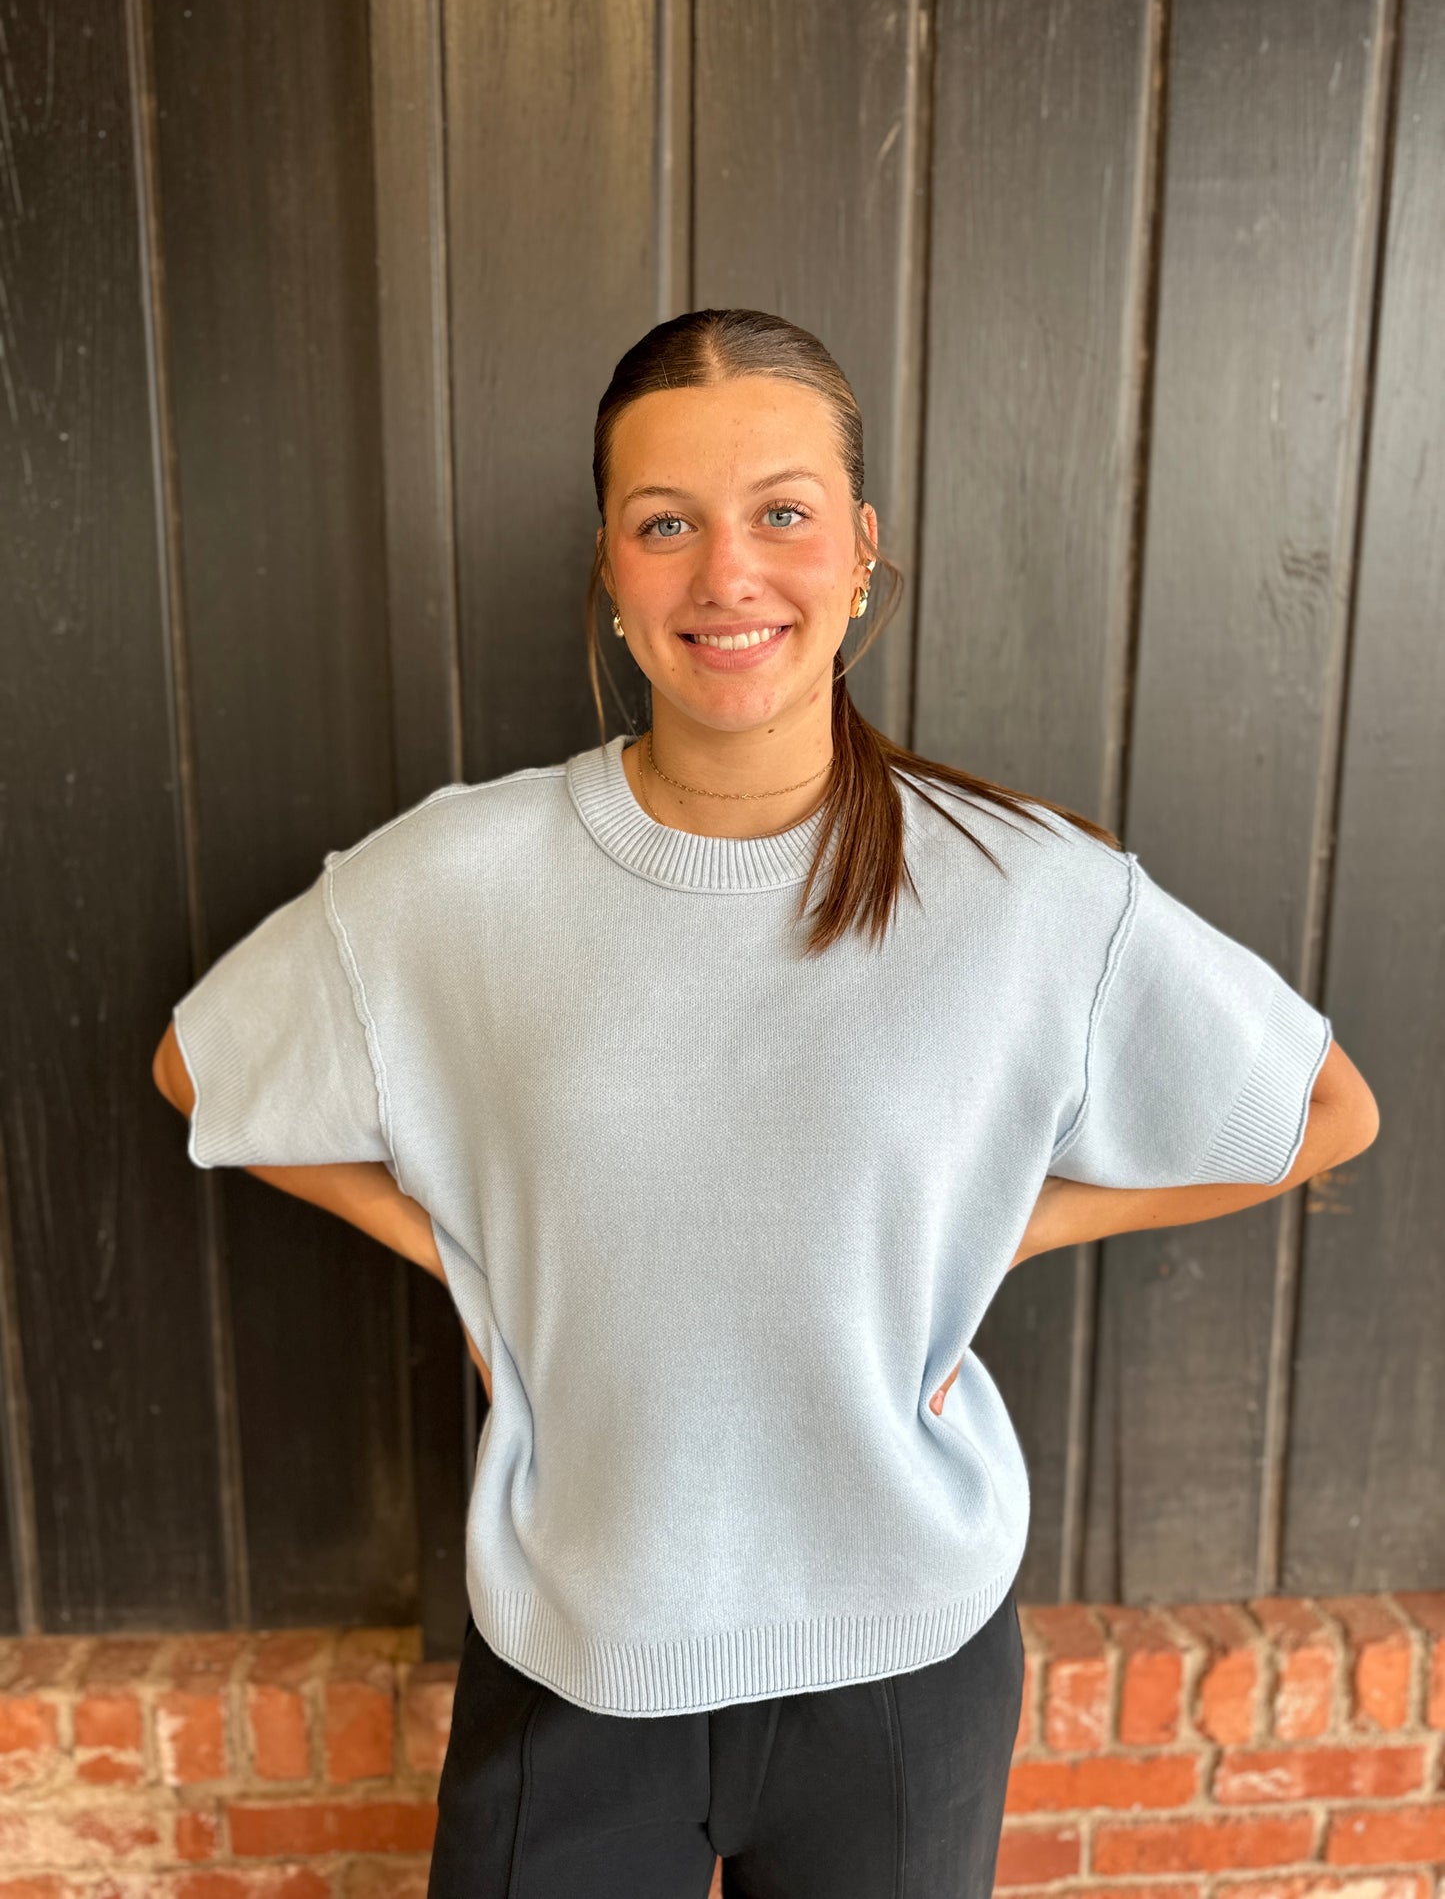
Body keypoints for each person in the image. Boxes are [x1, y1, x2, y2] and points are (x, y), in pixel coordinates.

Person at [152, 308, 1379, 1897]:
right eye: (667, 525)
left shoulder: (1026, 896)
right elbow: (201, 1071)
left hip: (900, 1666)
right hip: (577, 1648)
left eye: (782, 515)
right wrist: (471, 1259)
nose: (726, 575)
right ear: (610, 565)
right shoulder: (453, 881)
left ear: (860, 549)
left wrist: (998, 1228)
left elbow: (1317, 1112)